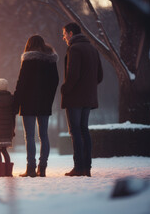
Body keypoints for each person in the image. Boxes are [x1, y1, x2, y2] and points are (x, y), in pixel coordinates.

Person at [61, 22, 103, 177]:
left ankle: (78, 167)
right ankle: (87, 168)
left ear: (71, 33)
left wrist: (65, 89)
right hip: (89, 98)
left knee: (75, 131)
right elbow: (100, 76)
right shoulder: (92, 49)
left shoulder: (74, 49)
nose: (63, 37)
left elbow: (73, 74)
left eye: (64, 33)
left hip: (75, 98)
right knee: (84, 130)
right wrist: (89, 87)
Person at [14, 35, 59, 177]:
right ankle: (43, 167)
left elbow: (21, 82)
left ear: (29, 45)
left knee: (29, 136)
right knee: (44, 136)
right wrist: (49, 98)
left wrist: (16, 102)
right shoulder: (50, 60)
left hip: (28, 102)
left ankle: (31, 168)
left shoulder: (28, 60)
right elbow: (55, 81)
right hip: (44, 103)